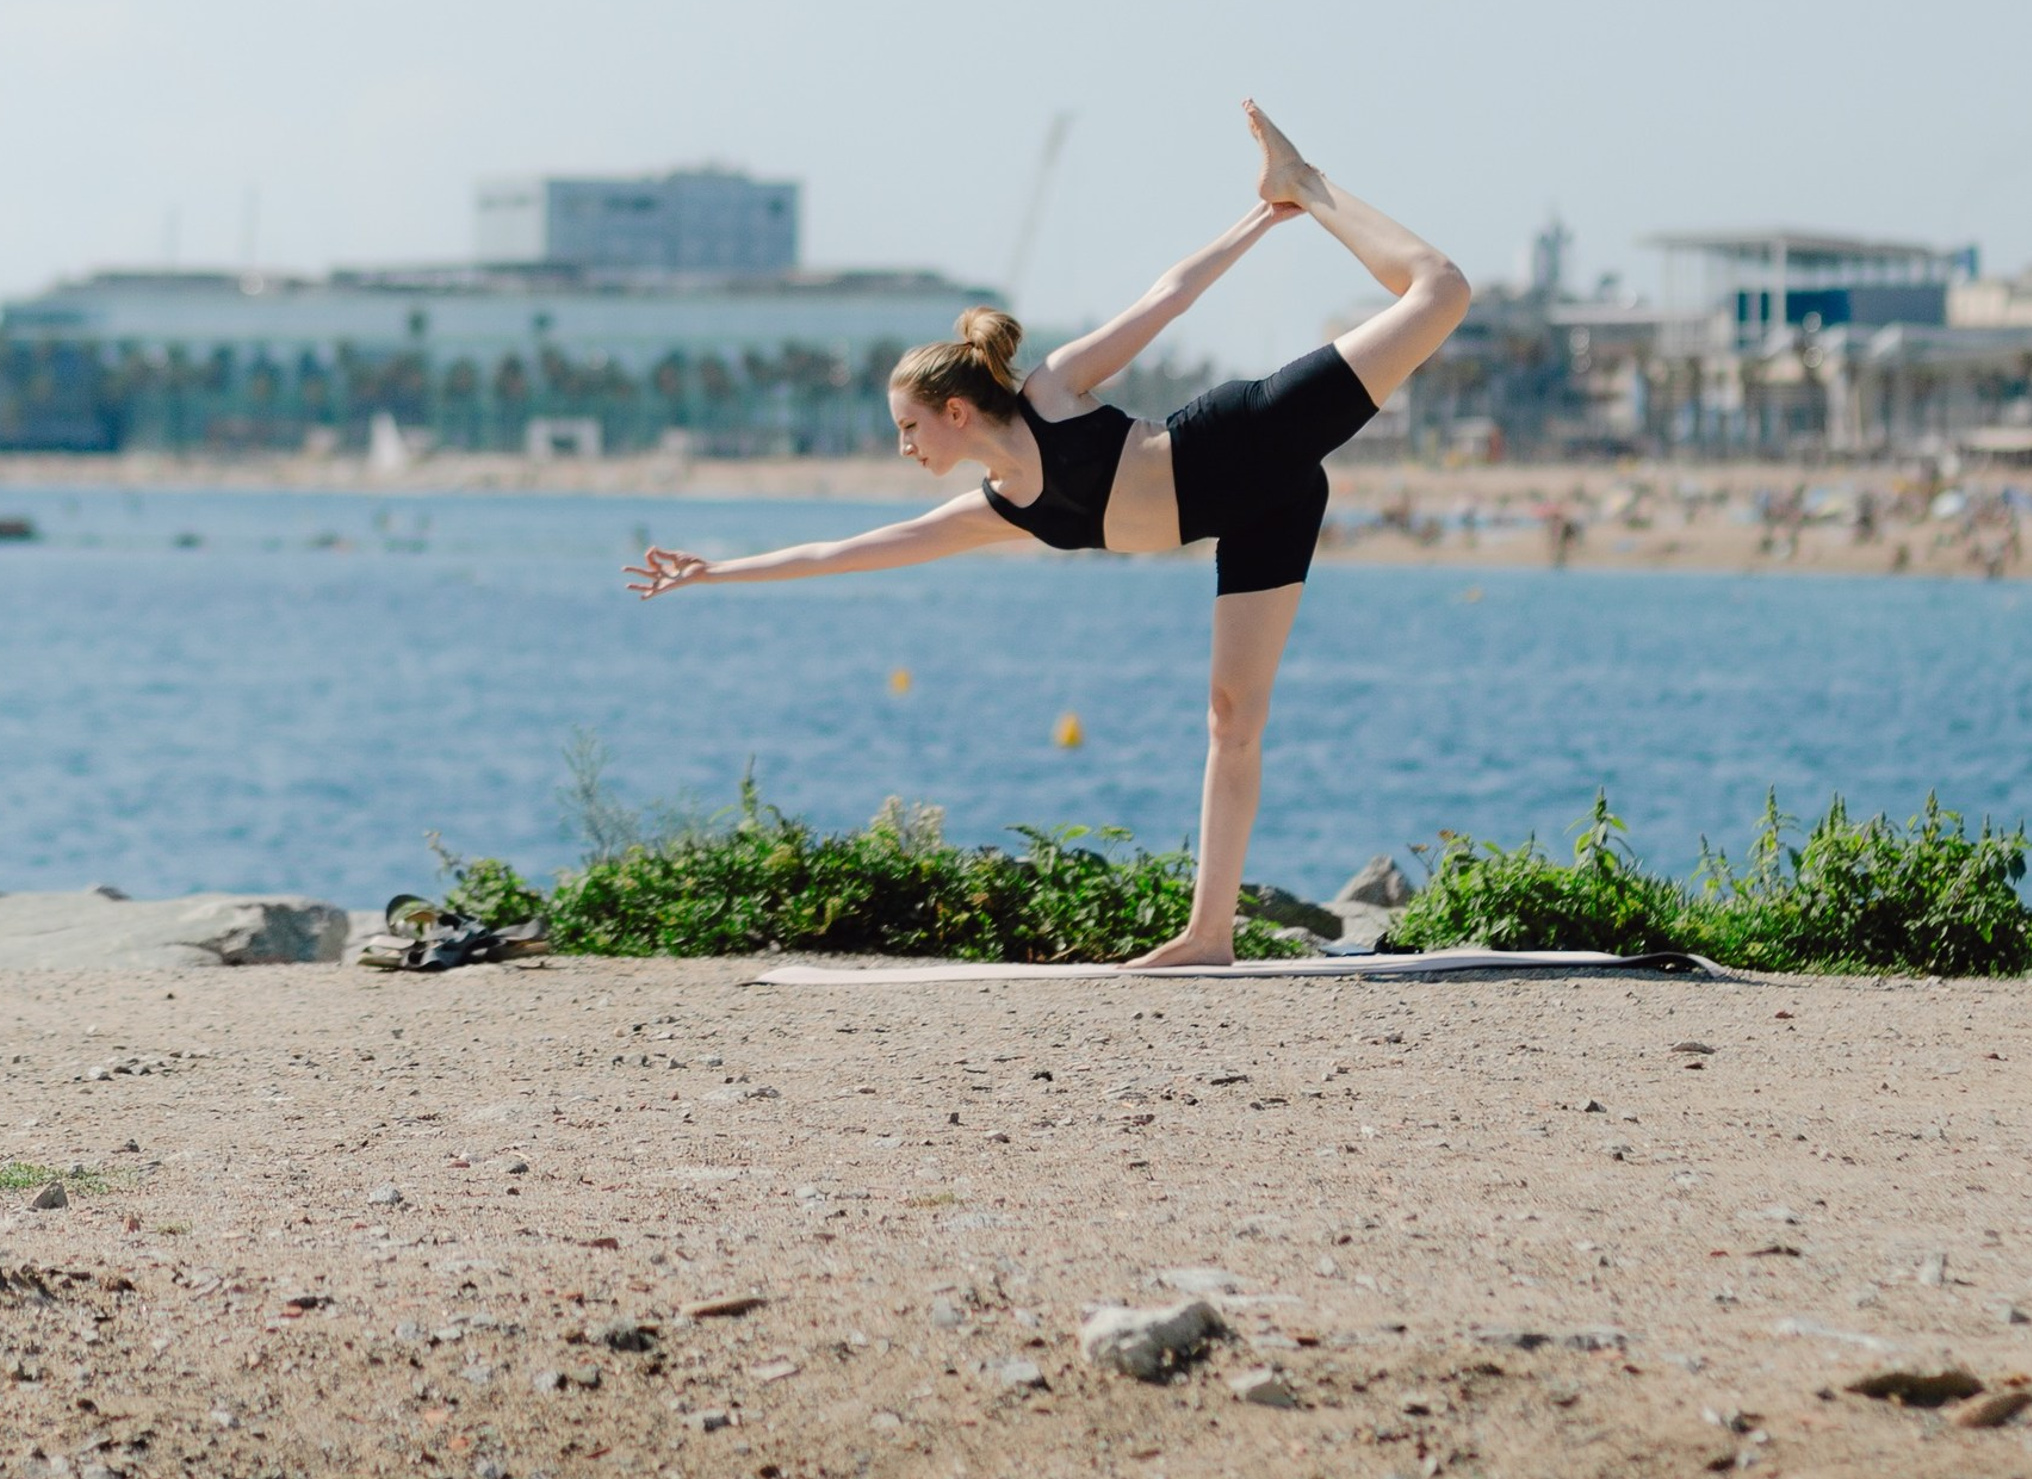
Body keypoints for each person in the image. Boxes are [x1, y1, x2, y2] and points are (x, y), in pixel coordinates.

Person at [623, 101, 1469, 967]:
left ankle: (1308, 184)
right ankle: (1208, 935)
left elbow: (1165, 300)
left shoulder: (1054, 392)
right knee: (1231, 719)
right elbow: (847, 551)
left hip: (1250, 438)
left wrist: (1265, 214)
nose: (903, 448)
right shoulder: (997, 508)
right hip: (1262, 512)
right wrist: (713, 571)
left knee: (1442, 291)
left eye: (910, 429)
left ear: (956, 412)